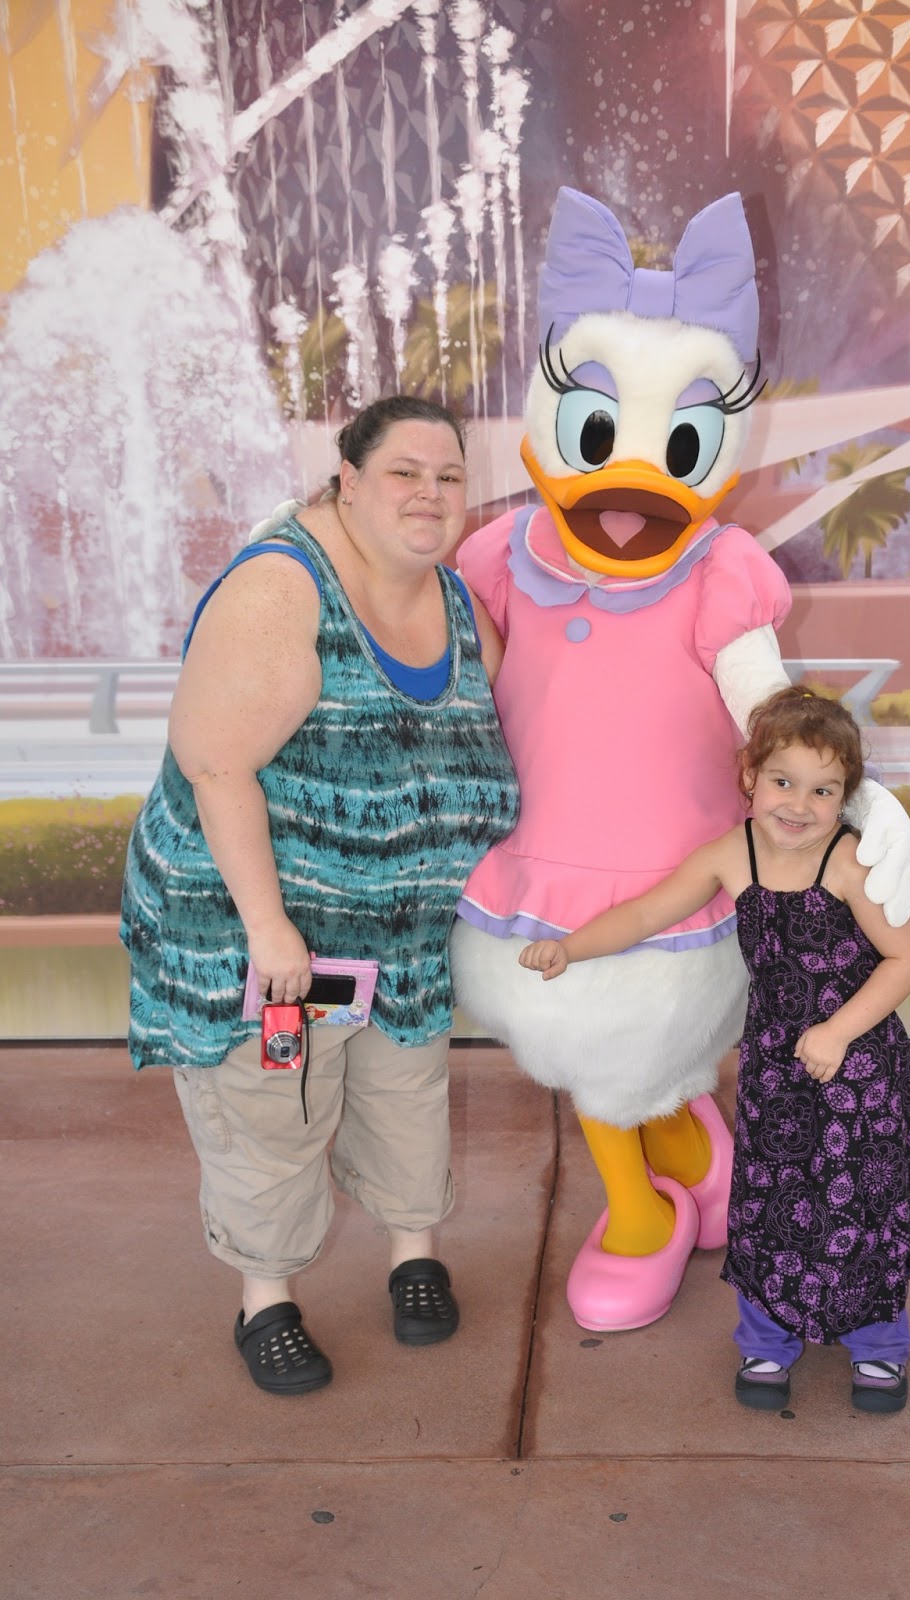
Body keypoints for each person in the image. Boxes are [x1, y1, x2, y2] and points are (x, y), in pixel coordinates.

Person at [121, 396, 519, 1395]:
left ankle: (414, 1253)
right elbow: (215, 765)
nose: (430, 494)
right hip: (265, 932)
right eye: (404, 473)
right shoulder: (282, 586)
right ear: (348, 480)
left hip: (400, 939)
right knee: (272, 1114)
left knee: (406, 1093)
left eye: (448, 476)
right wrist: (268, 929)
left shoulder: (453, 596)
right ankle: (266, 1300)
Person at [519, 686, 910, 1414]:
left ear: (846, 796)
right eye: (783, 781)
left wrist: (838, 1032)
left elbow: (909, 956)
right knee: (769, 1198)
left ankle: (878, 1345)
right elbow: (646, 912)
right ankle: (767, 1341)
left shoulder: (848, 864)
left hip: (861, 1071)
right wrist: (571, 948)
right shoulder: (729, 856)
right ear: (750, 775)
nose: (799, 805)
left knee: (862, 1201)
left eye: (823, 790)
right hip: (776, 1066)